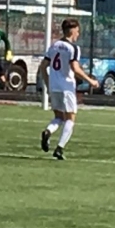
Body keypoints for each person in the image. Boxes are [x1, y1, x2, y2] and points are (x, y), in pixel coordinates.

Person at [39, 18, 99, 160]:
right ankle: (59, 148)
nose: (78, 34)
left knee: (59, 117)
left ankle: (48, 131)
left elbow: (43, 67)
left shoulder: (54, 46)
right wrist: (91, 81)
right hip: (66, 87)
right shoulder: (73, 48)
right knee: (70, 119)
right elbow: (75, 69)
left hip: (54, 87)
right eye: (77, 31)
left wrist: (48, 84)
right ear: (72, 31)